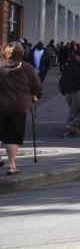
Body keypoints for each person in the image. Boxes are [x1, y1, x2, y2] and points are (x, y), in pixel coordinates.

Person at [0, 41, 43, 174]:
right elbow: (38, 86)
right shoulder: (27, 67)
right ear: (21, 53)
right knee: (13, 137)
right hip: (19, 106)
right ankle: (12, 165)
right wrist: (34, 95)